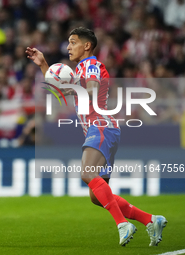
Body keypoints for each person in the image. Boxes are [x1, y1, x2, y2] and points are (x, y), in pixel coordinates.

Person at [25, 27, 167, 247]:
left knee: (87, 173)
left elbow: (91, 88)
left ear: (87, 45)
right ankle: (151, 219)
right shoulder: (80, 70)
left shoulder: (89, 65)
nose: (68, 47)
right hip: (103, 130)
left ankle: (122, 224)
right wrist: (44, 64)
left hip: (100, 126)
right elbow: (61, 90)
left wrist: (77, 89)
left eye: (73, 42)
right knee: (97, 196)